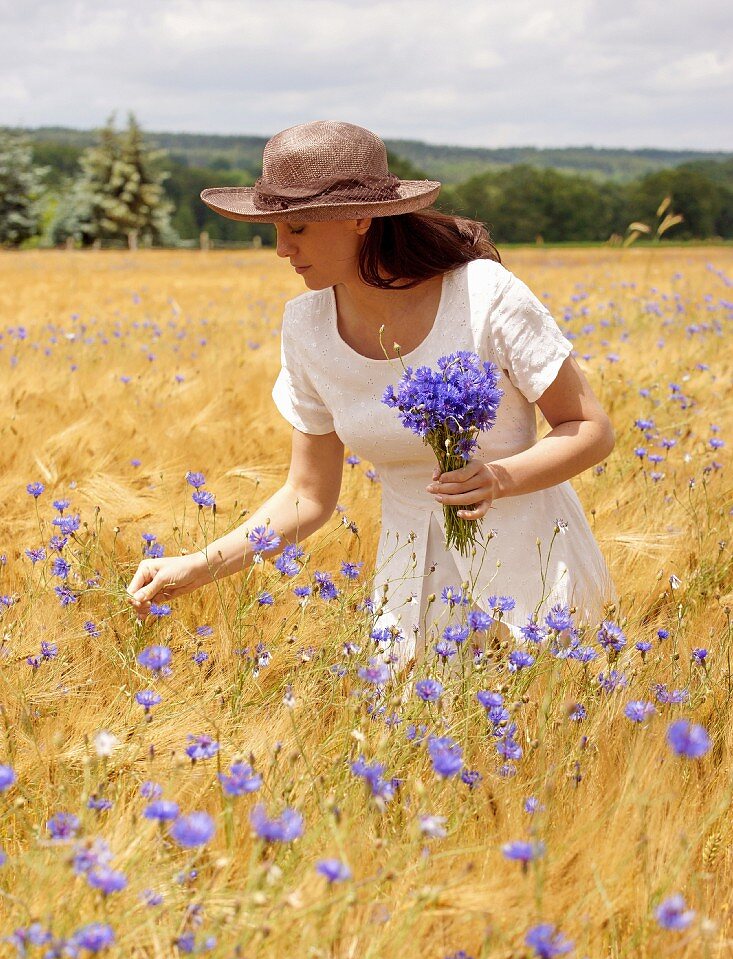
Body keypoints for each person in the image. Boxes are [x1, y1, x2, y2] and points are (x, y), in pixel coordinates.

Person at [126, 119, 617, 669]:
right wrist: (197, 566)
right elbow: (308, 497)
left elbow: (590, 429)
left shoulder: (484, 295)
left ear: (361, 217)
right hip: (412, 586)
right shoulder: (306, 326)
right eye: (275, 228)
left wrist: (500, 479)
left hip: (537, 572)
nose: (283, 248)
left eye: (300, 228)